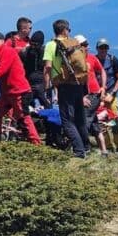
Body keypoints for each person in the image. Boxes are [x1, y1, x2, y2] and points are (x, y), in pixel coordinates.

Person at [0, 31, 41, 145]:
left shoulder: (7, 51)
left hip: (19, 92)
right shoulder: (1, 53)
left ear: (1, 40)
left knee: (23, 118)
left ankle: (36, 145)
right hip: (9, 94)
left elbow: (1, 70)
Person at [43, 19, 90, 158]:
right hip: (78, 82)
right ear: (65, 30)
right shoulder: (74, 43)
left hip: (64, 85)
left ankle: (79, 151)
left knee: (67, 120)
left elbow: (48, 67)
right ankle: (86, 147)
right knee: (80, 117)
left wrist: (47, 87)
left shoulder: (51, 45)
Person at [75, 35, 108, 156]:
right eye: (84, 44)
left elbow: (102, 71)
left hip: (94, 95)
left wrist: (103, 87)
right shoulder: (74, 61)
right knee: (93, 122)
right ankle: (104, 150)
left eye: (87, 44)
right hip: (84, 95)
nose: (87, 46)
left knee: (85, 121)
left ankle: (85, 148)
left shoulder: (92, 58)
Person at [95, 38, 118, 155]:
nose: (103, 50)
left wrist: (113, 93)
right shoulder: (94, 60)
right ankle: (107, 146)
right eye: (101, 47)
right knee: (101, 122)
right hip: (98, 96)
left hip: (111, 96)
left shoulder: (113, 60)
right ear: (97, 49)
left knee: (115, 121)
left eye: (105, 47)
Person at [19, 30, 50, 109]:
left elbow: (48, 69)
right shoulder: (25, 52)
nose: (33, 46)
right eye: (32, 43)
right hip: (28, 83)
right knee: (28, 106)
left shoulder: (44, 52)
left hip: (41, 83)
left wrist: (47, 86)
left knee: (47, 105)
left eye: (36, 44)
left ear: (40, 44)